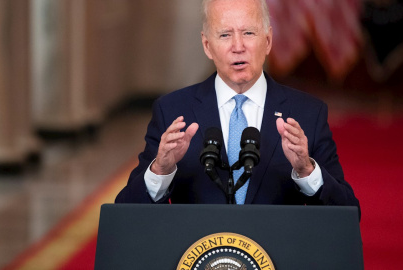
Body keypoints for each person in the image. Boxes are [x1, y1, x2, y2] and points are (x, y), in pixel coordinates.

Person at [115, 0, 359, 212]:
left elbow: (347, 213)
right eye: (225, 35)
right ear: (207, 45)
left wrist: (307, 170)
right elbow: (125, 213)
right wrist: (160, 170)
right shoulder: (172, 111)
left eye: (249, 33)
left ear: (268, 40)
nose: (238, 46)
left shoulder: (307, 113)